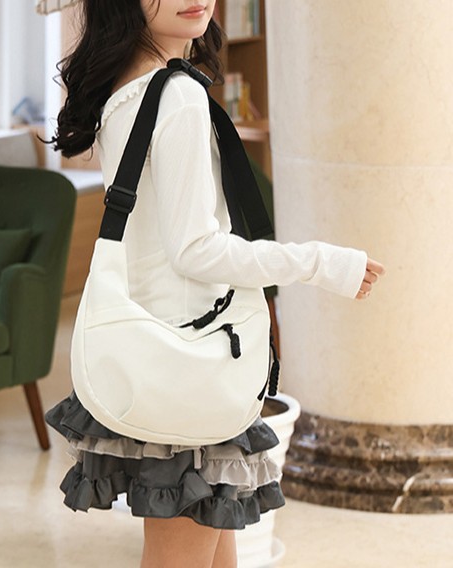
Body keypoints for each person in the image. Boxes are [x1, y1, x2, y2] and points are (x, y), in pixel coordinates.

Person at [46, 1, 386, 567]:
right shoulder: (177, 95)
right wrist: (319, 263)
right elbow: (196, 249)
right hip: (194, 359)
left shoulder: (124, 88)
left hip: (159, 351)